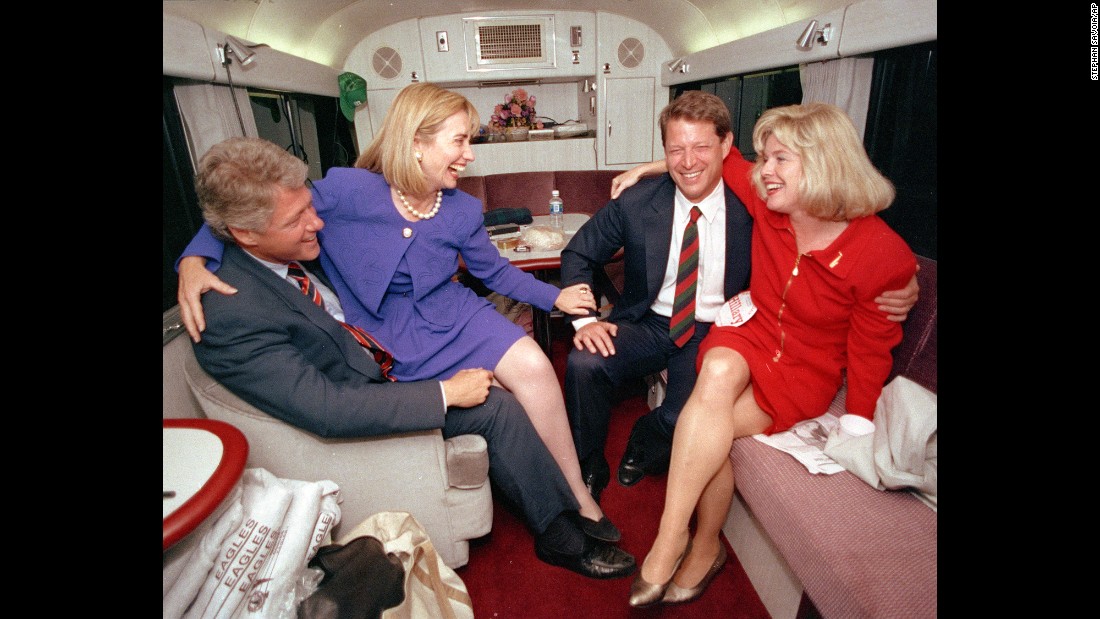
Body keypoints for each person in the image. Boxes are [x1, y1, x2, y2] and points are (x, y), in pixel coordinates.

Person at [182, 136, 635, 579]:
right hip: (369, 392)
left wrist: (193, 254)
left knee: (506, 393)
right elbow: (327, 408)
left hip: (385, 358)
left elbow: (238, 222)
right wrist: (445, 394)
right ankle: (559, 535)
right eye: (297, 218)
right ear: (244, 233)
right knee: (495, 405)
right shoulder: (231, 313)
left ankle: (566, 505)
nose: (317, 223)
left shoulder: (287, 246)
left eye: (309, 207)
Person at [558, 91, 917, 502]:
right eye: (676, 150)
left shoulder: (758, 203)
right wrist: (585, 320)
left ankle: (646, 435)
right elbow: (579, 253)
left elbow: (846, 222)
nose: (688, 161)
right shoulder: (637, 202)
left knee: (681, 419)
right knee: (583, 363)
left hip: (717, 327)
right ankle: (586, 466)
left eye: (701, 148)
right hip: (647, 322)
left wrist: (903, 276)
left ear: (727, 146)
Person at [627, 102, 917, 607]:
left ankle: (705, 545)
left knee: (705, 428)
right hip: (750, 332)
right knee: (714, 368)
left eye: (780, 160)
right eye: (764, 159)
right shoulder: (768, 199)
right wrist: (647, 167)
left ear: (824, 162)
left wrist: (858, 422)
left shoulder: (882, 253)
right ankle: (671, 538)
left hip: (806, 369)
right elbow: (711, 159)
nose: (764, 172)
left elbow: (872, 350)